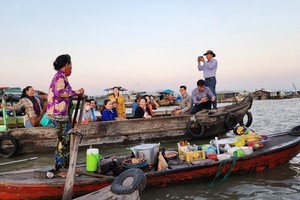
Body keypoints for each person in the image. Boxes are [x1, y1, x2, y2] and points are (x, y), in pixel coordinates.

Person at [46, 54, 84, 172]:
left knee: (64, 140)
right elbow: (60, 93)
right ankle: (61, 169)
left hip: (62, 114)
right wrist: (76, 92)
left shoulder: (62, 77)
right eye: (71, 65)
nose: (71, 68)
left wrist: (76, 93)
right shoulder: (59, 76)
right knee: (64, 141)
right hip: (58, 113)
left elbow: (67, 92)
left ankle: (65, 167)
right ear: (66, 64)